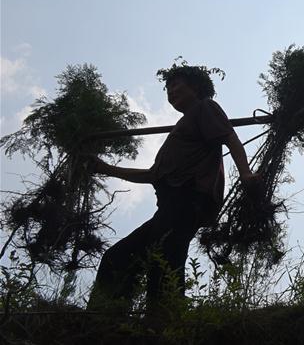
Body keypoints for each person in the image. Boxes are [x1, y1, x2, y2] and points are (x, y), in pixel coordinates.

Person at [88, 65, 259, 318]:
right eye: (168, 89)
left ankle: (164, 324)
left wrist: (245, 173)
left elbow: (229, 137)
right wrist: (106, 169)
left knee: (164, 257)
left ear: (196, 88)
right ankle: (106, 320)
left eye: (176, 87)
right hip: (171, 205)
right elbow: (150, 175)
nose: (171, 93)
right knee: (119, 257)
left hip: (190, 198)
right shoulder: (178, 133)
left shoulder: (205, 108)